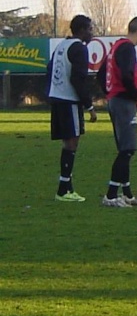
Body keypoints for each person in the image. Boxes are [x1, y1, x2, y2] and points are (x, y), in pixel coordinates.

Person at [97, 16, 137, 207]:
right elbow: (127, 75)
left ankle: (126, 194)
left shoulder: (116, 46)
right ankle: (111, 195)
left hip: (115, 100)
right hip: (123, 102)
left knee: (125, 149)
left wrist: (109, 92)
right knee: (127, 150)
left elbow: (100, 74)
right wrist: (134, 94)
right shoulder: (127, 48)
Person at [47, 15, 98, 202]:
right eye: (90, 29)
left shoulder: (61, 45)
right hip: (69, 100)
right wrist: (90, 106)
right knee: (72, 143)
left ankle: (66, 187)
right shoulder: (79, 49)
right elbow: (78, 79)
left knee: (67, 143)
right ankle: (63, 190)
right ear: (82, 30)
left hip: (57, 99)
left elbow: (49, 69)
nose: (92, 33)